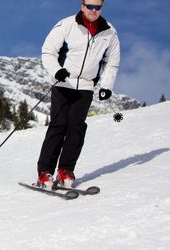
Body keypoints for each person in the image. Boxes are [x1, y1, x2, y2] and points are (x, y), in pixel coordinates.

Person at [36, 0, 120, 188]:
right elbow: (48, 51)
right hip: (63, 82)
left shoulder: (109, 32)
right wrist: (57, 70)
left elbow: (112, 62)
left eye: (97, 7)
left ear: (101, 8)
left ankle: (65, 170)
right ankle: (44, 172)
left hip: (86, 86)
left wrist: (106, 85)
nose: (93, 10)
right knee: (59, 125)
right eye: (89, 6)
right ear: (82, 6)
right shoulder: (66, 25)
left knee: (76, 127)